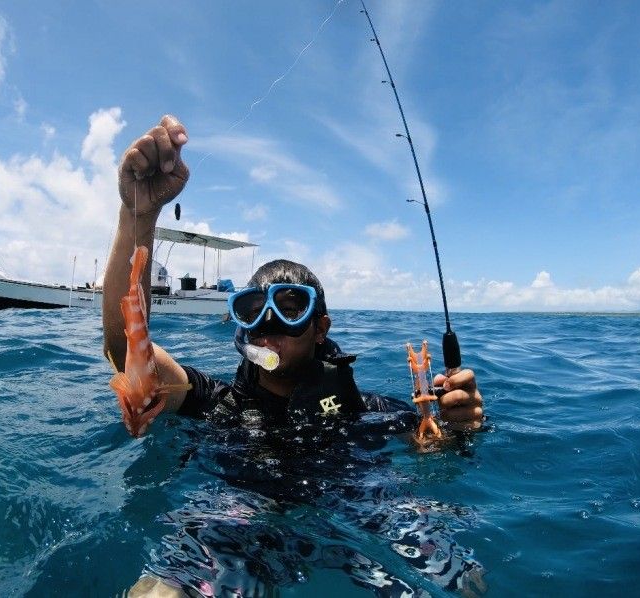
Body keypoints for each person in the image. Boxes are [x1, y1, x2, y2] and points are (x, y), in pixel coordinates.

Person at [103, 115, 485, 597]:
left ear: (321, 329)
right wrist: (138, 216)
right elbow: (125, 351)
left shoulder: (367, 411)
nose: (268, 329)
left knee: (461, 583)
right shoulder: (217, 402)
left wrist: (457, 427)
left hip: (361, 509)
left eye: (289, 310)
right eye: (251, 312)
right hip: (236, 516)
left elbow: (436, 453)